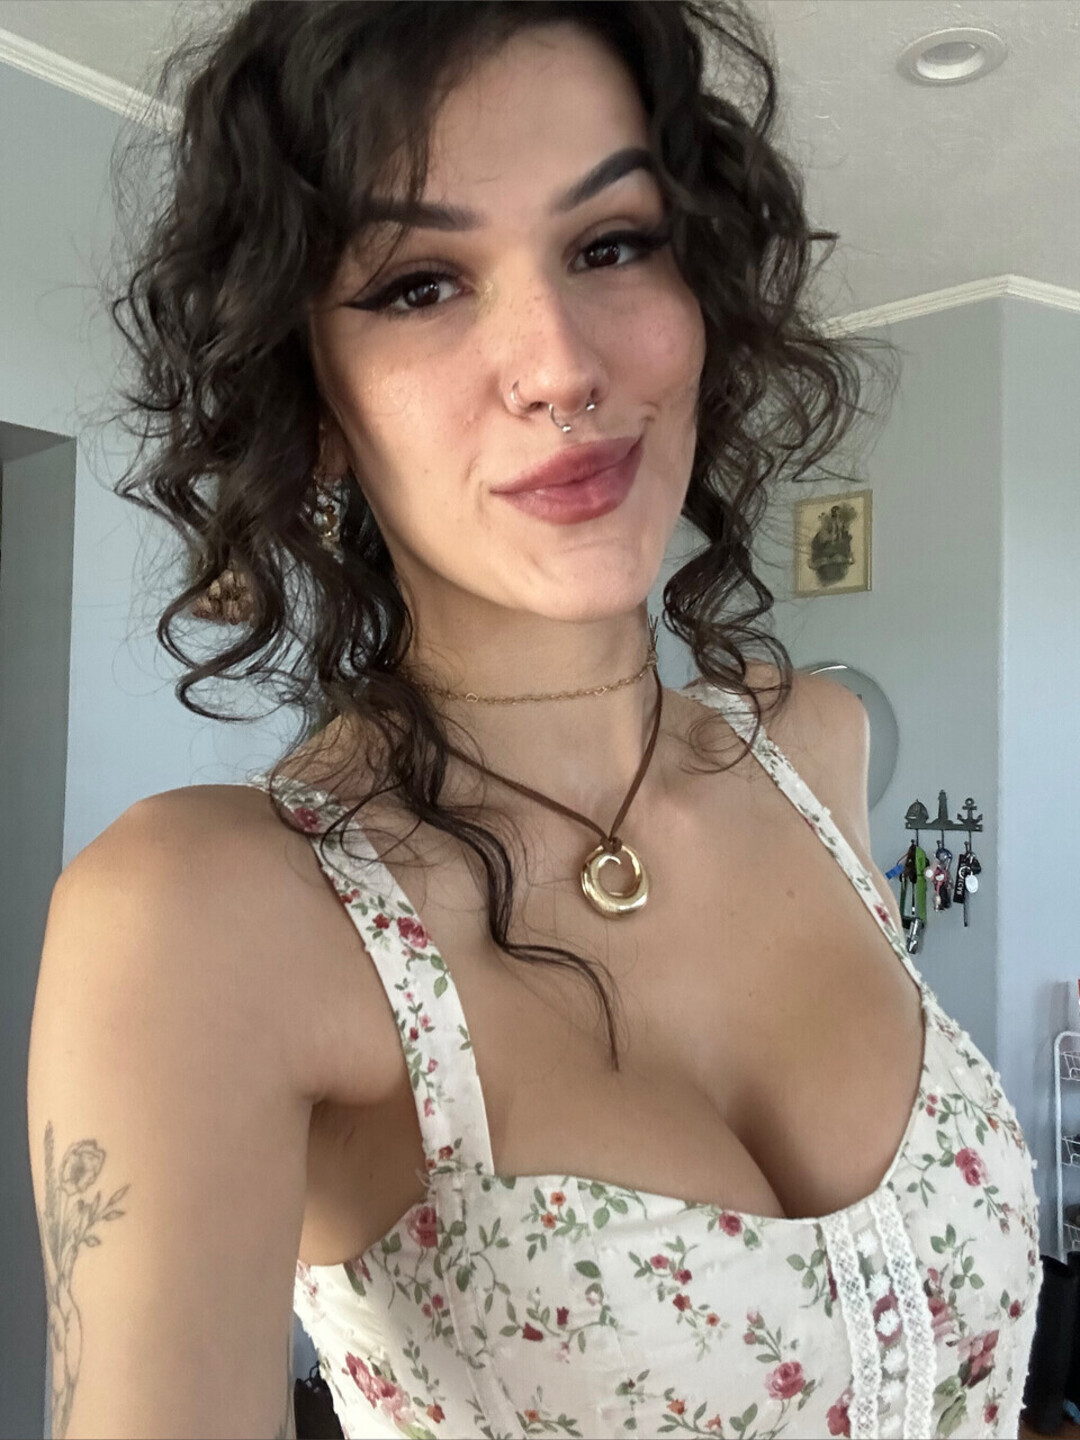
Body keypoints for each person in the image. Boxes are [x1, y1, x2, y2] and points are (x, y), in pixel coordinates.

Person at [26, 3, 1040, 1437]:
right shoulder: (211, 917)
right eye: (421, 284)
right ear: (314, 400)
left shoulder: (817, 747)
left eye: (611, 245)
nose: (561, 365)